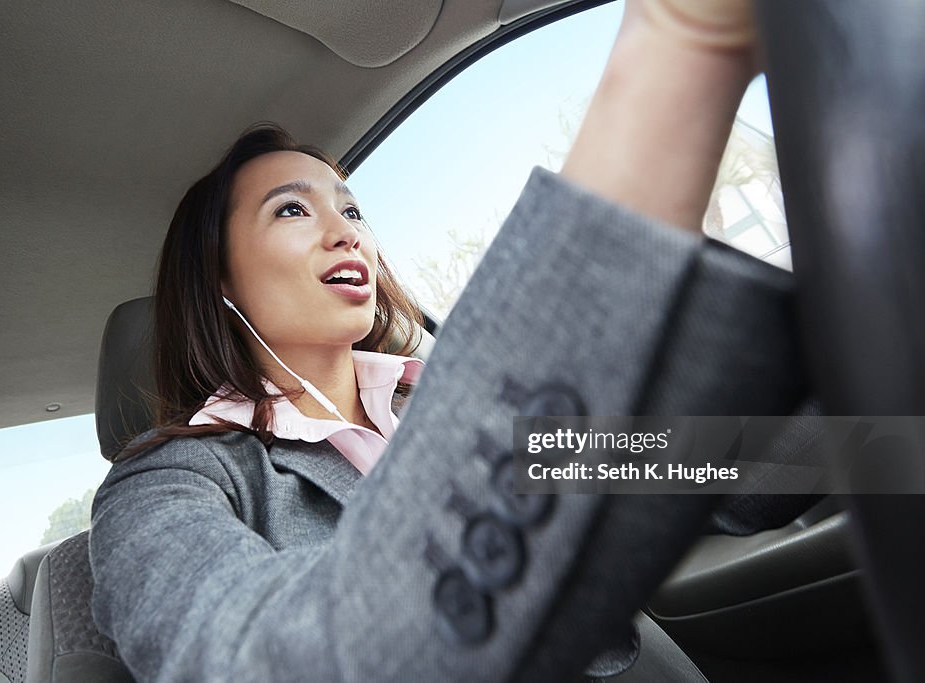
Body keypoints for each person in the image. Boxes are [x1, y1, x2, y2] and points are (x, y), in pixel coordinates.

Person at [89, 0, 806, 680]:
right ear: (221, 283)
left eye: (352, 208)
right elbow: (276, 663)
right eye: (291, 210)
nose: (347, 232)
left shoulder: (438, 403)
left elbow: (710, 469)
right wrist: (680, 48)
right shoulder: (164, 489)